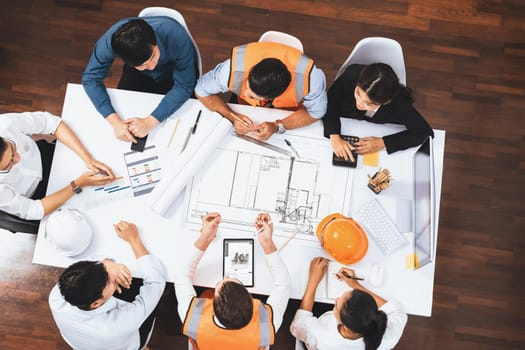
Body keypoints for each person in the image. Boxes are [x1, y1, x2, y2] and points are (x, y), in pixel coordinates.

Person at [175, 212, 291, 349]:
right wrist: (267, 242)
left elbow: (182, 275)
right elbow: (283, 284)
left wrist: (205, 238)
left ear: (212, 306)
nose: (226, 277)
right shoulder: (266, 326)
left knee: (205, 292)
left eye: (219, 284)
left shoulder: (193, 318)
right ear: (251, 300)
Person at [49, 220, 166, 350]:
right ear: (96, 303)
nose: (113, 276)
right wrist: (134, 240)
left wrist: (108, 264)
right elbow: (156, 283)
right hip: (123, 341)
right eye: (109, 281)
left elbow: (89, 266)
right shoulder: (118, 325)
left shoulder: (57, 296)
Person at [82, 17, 197, 143]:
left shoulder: (175, 35)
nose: (152, 66)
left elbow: (184, 86)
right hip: (137, 75)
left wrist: (150, 121)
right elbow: (90, 79)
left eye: (153, 56)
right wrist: (114, 121)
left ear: (155, 42)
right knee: (124, 118)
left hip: (173, 73)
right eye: (142, 64)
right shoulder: (109, 44)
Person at [195, 41, 327, 140]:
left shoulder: (311, 79)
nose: (245, 93)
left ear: (269, 98)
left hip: (288, 112)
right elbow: (201, 90)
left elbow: (316, 112)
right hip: (247, 110)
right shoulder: (231, 70)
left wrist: (278, 126)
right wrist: (231, 117)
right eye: (247, 85)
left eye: (252, 97)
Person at [0, 111, 116, 221]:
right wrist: (78, 184)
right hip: (41, 195)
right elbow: (33, 210)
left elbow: (52, 123)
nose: (18, 159)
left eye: (13, 149)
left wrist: (87, 157)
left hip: (44, 155)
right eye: (8, 164)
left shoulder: (5, 124)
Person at [290, 257, 407, 350]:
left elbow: (297, 326)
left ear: (344, 324)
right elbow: (397, 311)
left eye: (336, 305)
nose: (336, 299)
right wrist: (355, 285)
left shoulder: (322, 335)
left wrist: (313, 281)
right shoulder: (388, 338)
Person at [323, 63, 434, 161]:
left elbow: (425, 133)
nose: (359, 103)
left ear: (385, 102)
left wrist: (384, 143)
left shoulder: (399, 104)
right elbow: (330, 102)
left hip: (375, 130)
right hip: (346, 119)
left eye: (369, 103)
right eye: (358, 93)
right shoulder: (352, 74)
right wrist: (334, 135)